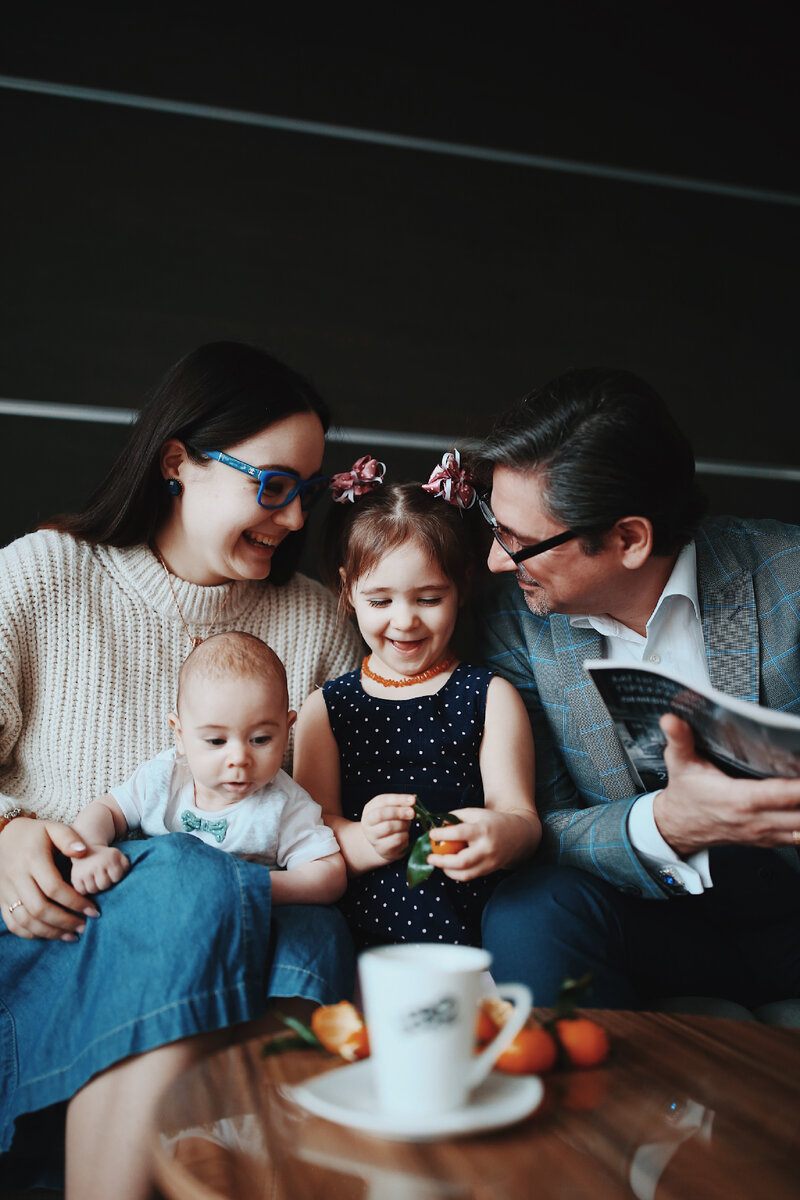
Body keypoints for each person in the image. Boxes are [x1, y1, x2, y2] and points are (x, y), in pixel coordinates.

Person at [0, 342, 362, 1200]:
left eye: (308, 492)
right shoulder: (43, 575)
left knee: (311, 934)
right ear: (178, 463)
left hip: (231, 946)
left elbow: (322, 819)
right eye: (273, 485)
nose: (295, 519)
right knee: (192, 874)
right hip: (58, 926)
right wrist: (6, 832)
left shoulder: (317, 625)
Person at [474, 367, 800, 1013]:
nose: (495, 560)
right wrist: (666, 824)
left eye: (521, 543)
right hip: (656, 919)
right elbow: (540, 825)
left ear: (629, 538)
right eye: (494, 525)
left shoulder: (788, 579)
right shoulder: (515, 623)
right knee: (529, 911)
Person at [293, 453, 541, 949]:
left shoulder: (488, 696)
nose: (404, 621)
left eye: (429, 599)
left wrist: (499, 835)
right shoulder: (326, 708)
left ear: (461, 587)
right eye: (380, 601)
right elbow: (306, 831)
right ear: (347, 590)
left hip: (468, 926)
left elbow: (522, 817)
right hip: (358, 932)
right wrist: (364, 840)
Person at [71, 632, 346, 904]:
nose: (239, 758)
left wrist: (254, 886)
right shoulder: (162, 779)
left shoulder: (283, 806)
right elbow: (106, 810)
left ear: (286, 732)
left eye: (260, 739)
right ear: (180, 735)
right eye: (216, 741)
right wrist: (90, 850)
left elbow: (329, 874)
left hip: (236, 913)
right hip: (158, 899)